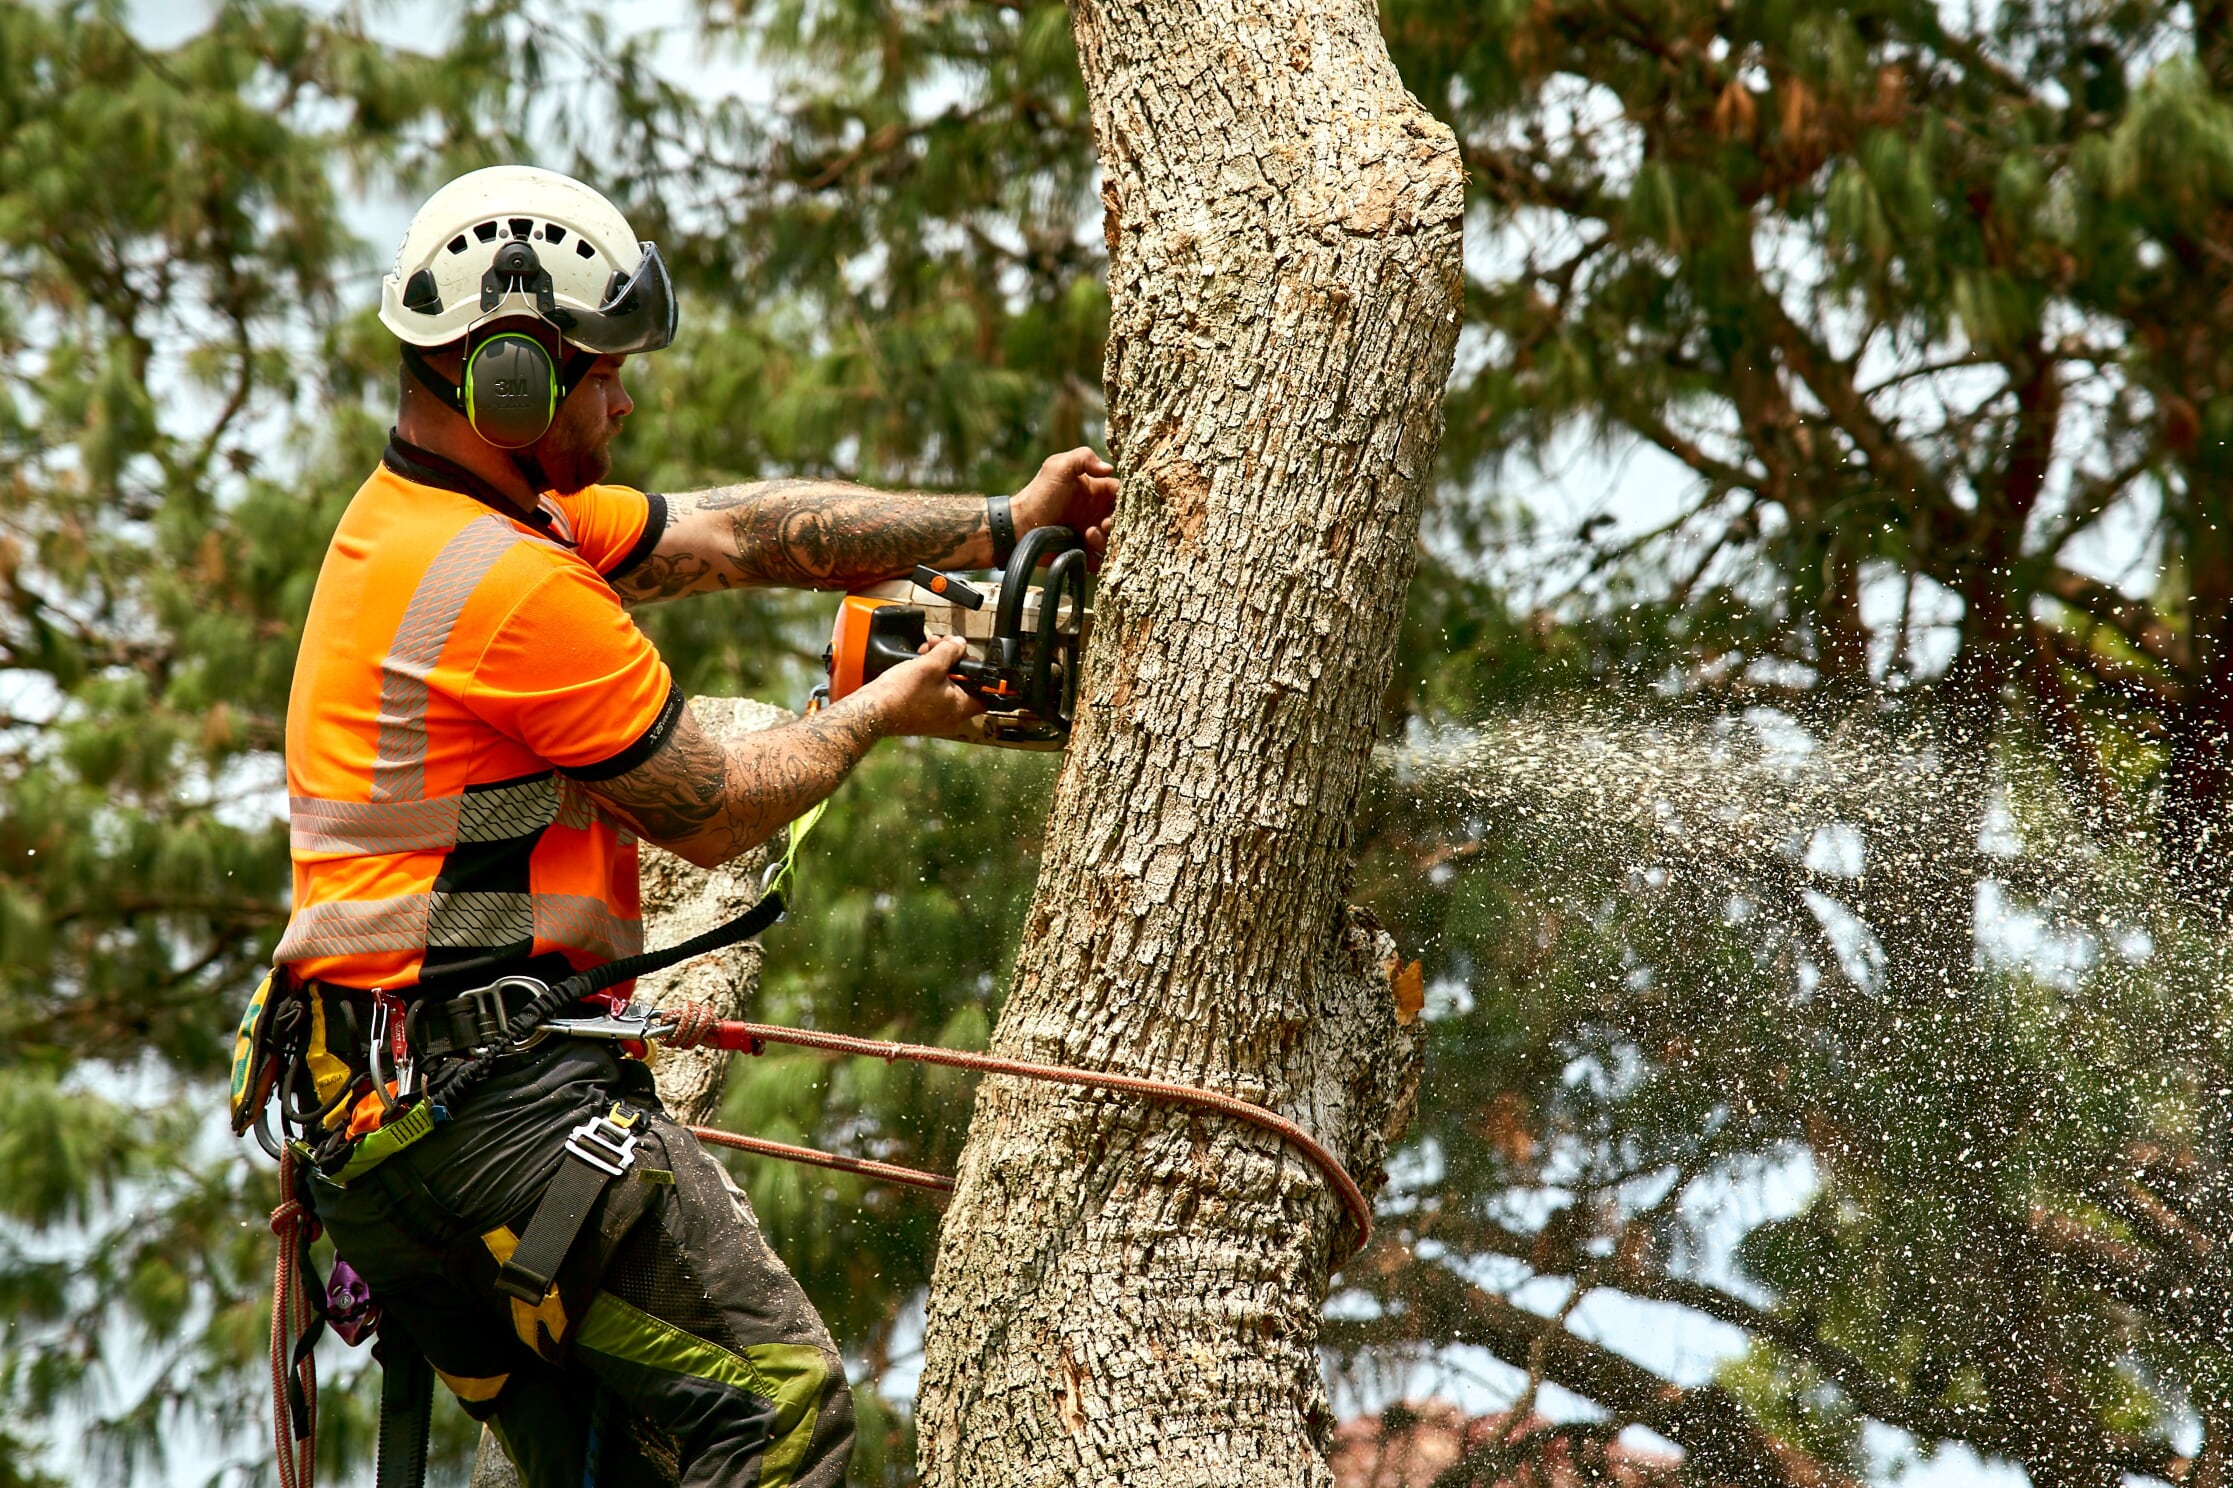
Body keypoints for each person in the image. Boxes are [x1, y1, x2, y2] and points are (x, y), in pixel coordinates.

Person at [268, 164, 1116, 1487]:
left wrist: (1004, 521)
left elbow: (743, 530)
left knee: (633, 1468)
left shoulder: (427, 523)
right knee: (775, 1414)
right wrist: (882, 710)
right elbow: (712, 812)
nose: (623, 397)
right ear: (510, 380)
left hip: (384, 1138)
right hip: (500, 1115)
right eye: (600, 372)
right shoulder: (509, 587)